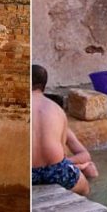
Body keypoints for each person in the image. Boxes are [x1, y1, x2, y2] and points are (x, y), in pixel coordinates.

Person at [31, 65, 89, 196]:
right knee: (85, 187)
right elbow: (62, 150)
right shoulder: (57, 110)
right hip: (55, 171)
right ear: (44, 86)